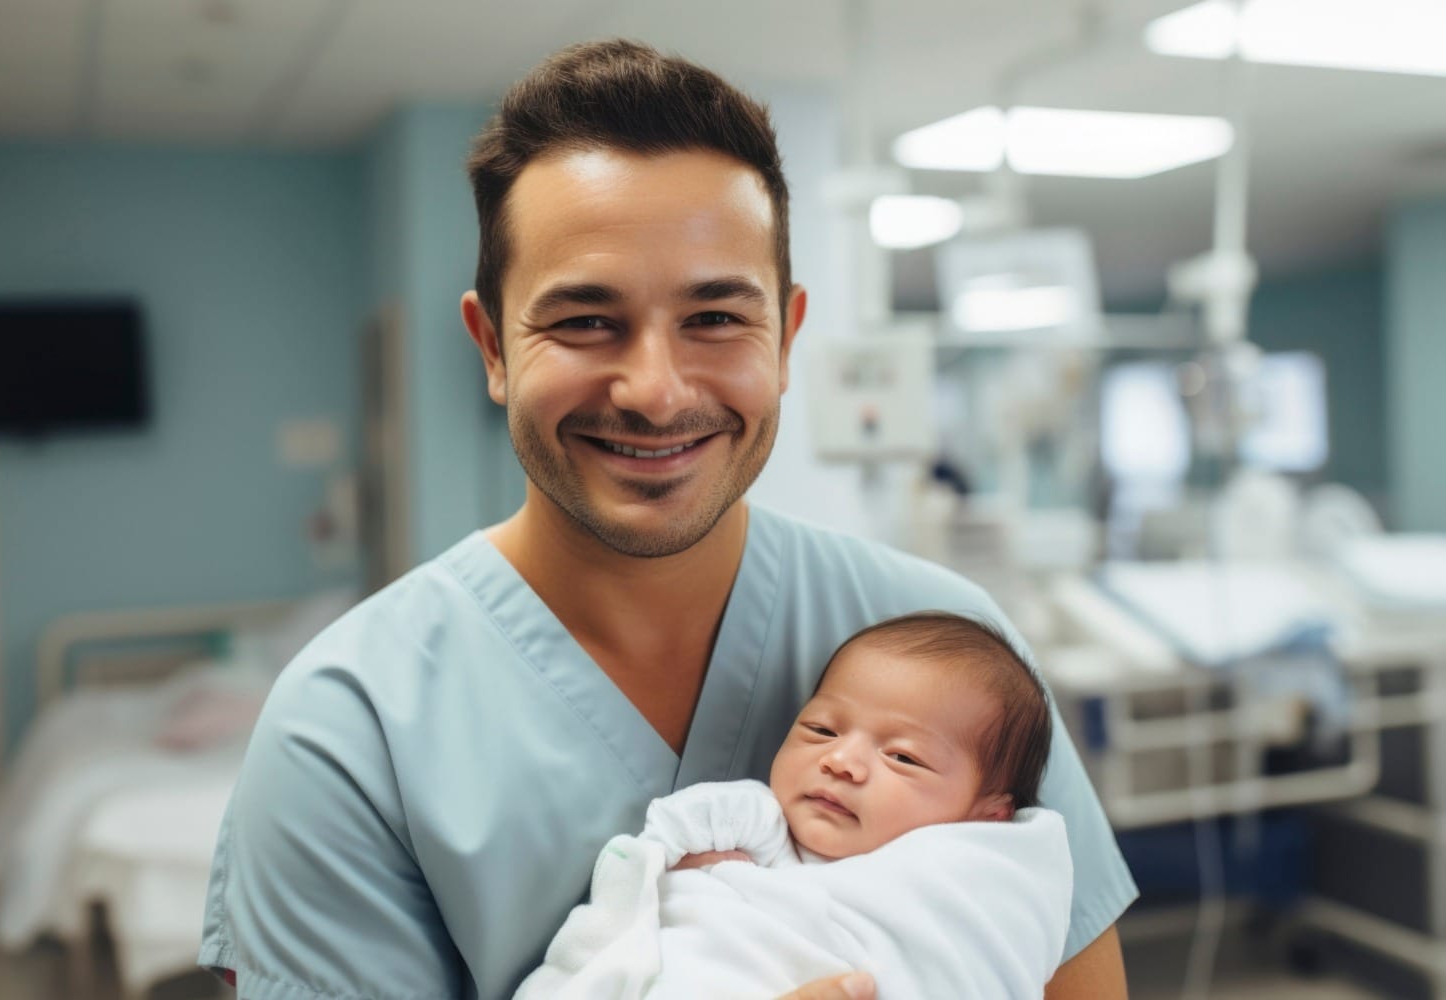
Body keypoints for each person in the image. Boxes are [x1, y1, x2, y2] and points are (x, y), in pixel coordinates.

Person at [200, 38, 1136, 1000]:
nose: (654, 392)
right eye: (584, 320)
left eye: (717, 319)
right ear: (491, 347)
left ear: (787, 339)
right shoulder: (349, 732)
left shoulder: (954, 660)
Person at [515, 612, 1074, 999]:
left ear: (987, 816)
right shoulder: (752, 831)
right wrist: (677, 863)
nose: (842, 761)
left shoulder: (966, 896)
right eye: (822, 728)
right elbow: (669, 838)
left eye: (903, 757)